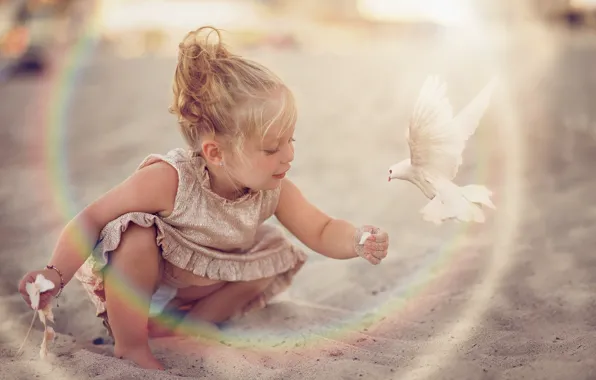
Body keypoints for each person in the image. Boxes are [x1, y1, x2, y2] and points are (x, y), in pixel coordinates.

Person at [18, 26, 389, 370]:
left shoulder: (273, 189)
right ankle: (131, 344)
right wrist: (54, 274)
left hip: (200, 292)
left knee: (274, 251)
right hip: (140, 292)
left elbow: (321, 229)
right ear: (215, 153)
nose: (289, 155)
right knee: (133, 233)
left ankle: (186, 328)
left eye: (292, 139)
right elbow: (93, 218)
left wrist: (356, 240)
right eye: (273, 147)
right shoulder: (170, 179)